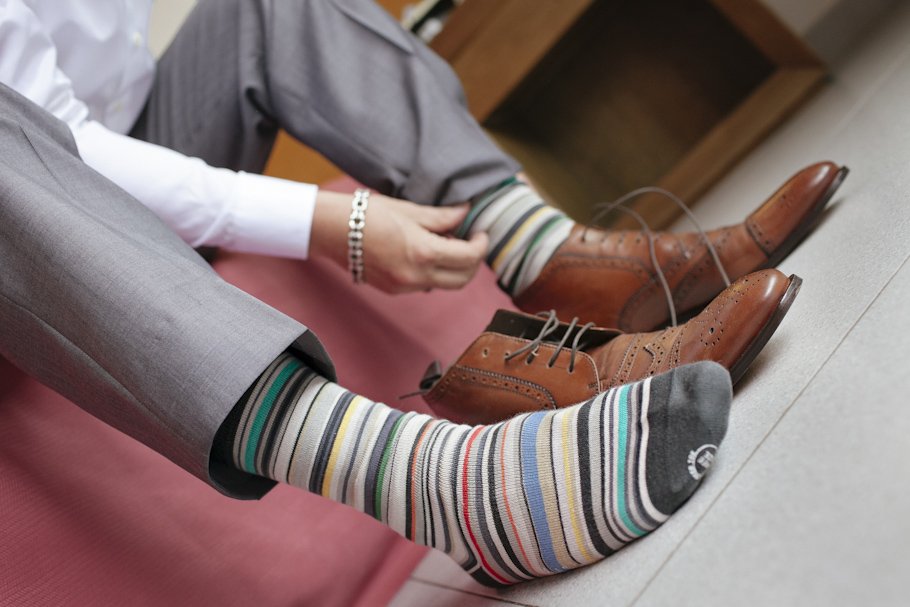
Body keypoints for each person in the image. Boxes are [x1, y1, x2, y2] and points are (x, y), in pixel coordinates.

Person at [0, 0, 841, 585]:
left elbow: (91, 116)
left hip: (94, 156)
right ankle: (444, 486)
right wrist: (329, 222)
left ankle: (553, 255)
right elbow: (49, 148)